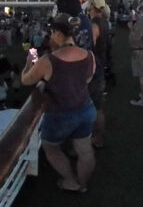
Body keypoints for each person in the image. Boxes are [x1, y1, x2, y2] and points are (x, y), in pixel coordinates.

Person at [22, 13, 97, 193]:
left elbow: (25, 80)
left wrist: (28, 63)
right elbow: (87, 79)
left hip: (60, 114)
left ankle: (70, 181)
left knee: (51, 147)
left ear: (57, 33)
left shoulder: (48, 61)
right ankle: (83, 184)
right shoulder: (89, 55)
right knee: (84, 149)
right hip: (86, 109)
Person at [87, 0, 112, 148]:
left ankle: (96, 138)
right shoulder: (104, 22)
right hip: (101, 65)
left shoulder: (94, 25)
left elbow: (89, 47)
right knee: (98, 105)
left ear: (93, 6)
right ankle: (98, 137)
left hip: (94, 68)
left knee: (95, 106)